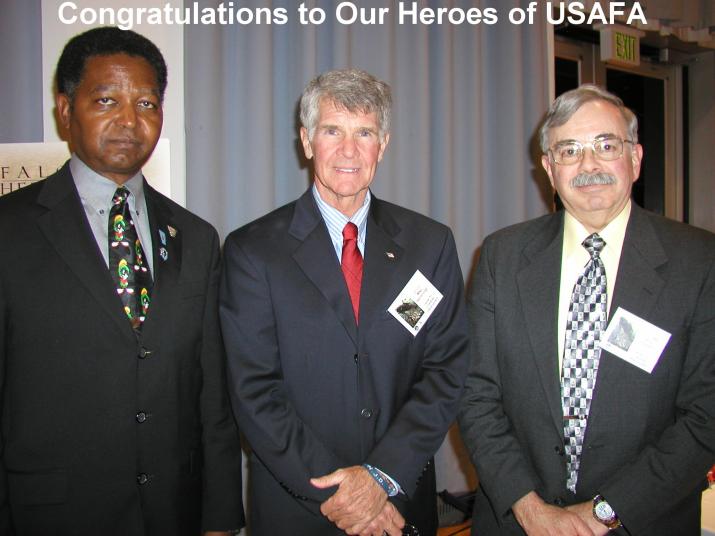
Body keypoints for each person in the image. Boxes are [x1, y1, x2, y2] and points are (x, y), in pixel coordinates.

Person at [0, 27, 244, 535]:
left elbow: (211, 396)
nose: (130, 121)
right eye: (106, 100)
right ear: (65, 110)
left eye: (147, 103)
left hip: (172, 513)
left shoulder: (196, 238)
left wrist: (220, 518)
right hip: (48, 514)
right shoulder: (10, 230)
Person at [220, 69, 469, 535]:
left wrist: (381, 477)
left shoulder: (429, 245)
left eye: (365, 133)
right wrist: (345, 495)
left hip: (398, 501)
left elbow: (447, 369)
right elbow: (254, 391)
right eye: (333, 131)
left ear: (383, 144)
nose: (349, 150)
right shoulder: (253, 251)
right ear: (306, 141)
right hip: (301, 507)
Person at [458, 84, 715, 535]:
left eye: (606, 146)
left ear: (635, 158)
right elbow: (474, 393)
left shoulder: (698, 261)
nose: (589, 165)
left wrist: (603, 513)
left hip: (643, 522)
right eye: (570, 150)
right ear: (549, 169)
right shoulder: (503, 255)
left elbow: (706, 414)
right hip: (520, 523)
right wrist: (530, 510)